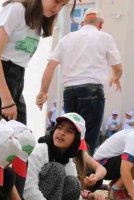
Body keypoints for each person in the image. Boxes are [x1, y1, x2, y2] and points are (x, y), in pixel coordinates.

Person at [36, 9, 123, 154]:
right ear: (100, 24)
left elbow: (51, 65)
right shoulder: (104, 37)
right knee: (88, 138)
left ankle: (70, 170)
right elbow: (118, 67)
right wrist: (116, 76)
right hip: (92, 92)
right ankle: (85, 174)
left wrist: (43, 91)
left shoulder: (67, 39)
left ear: (82, 23)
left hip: (69, 92)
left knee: (72, 134)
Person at [24, 112, 89, 200]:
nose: (62, 133)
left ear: (76, 140)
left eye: (69, 131)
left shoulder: (69, 161)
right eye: (59, 128)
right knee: (56, 169)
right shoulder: (40, 150)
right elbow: (29, 191)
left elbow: (77, 197)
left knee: (74, 183)